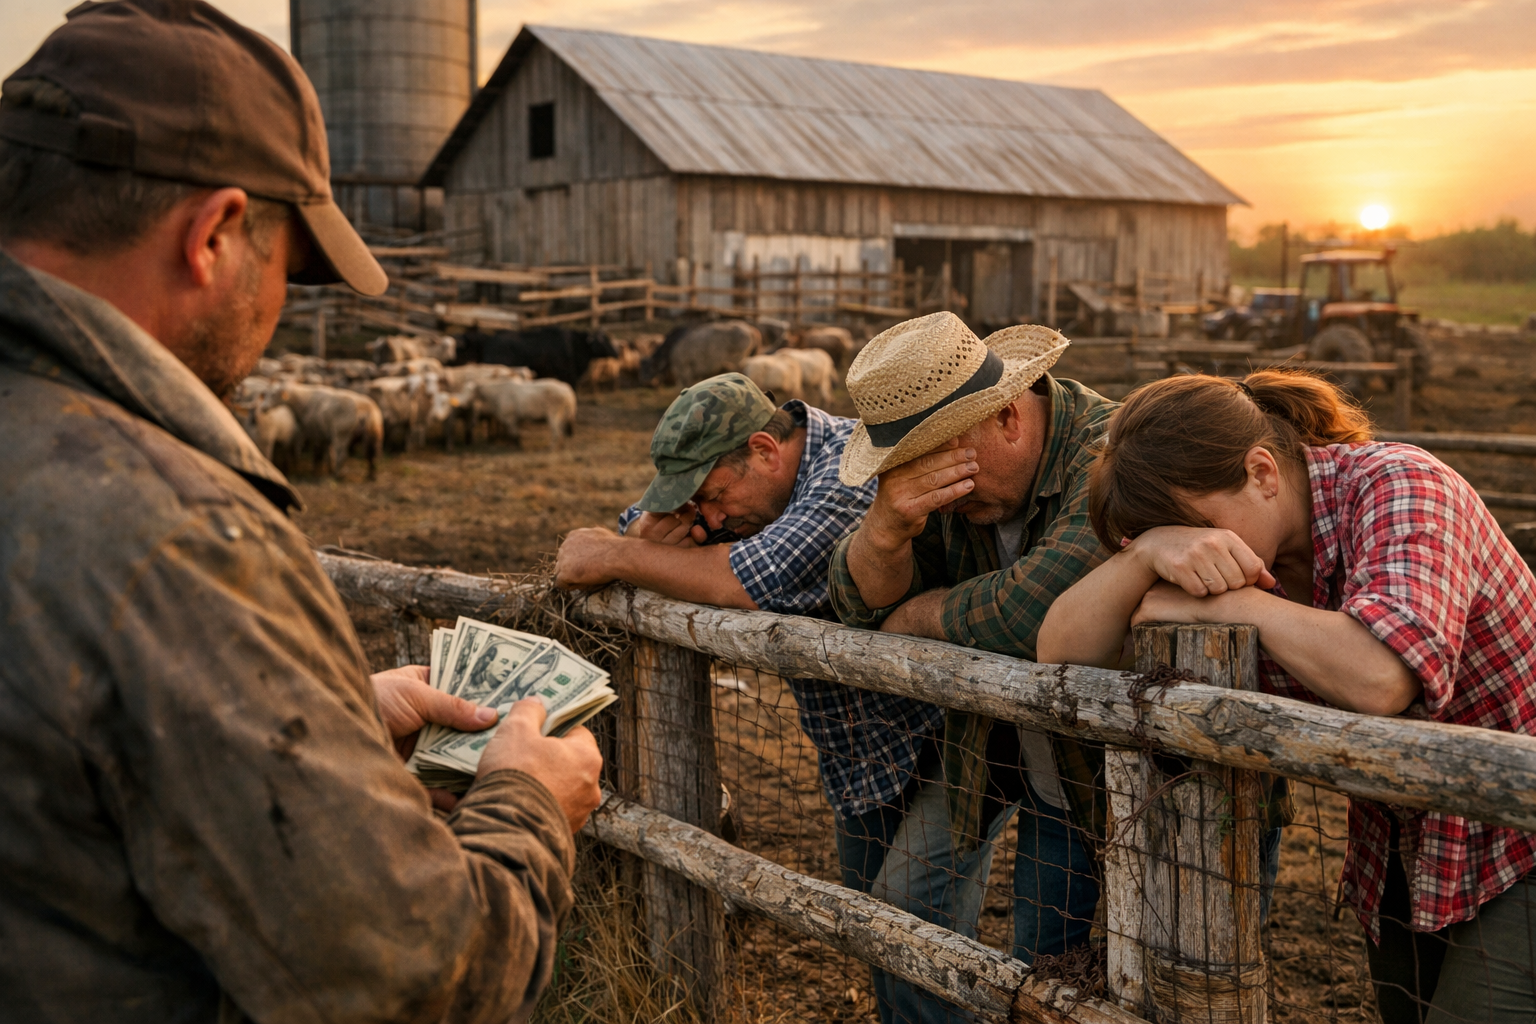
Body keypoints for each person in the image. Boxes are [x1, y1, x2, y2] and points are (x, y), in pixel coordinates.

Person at [0, 4, 601, 1021]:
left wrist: (310, 722)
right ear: (216, 234)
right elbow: (418, 978)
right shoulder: (175, 534)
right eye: (290, 266)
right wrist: (526, 802)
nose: (279, 316)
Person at [1037, 369, 1536, 1024]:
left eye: (1200, 526)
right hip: (1409, 840)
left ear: (1263, 474)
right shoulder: (1238, 548)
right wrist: (1142, 559)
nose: (1199, 555)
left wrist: (1239, 604)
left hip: (1520, 827)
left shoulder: (1402, 484)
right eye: (1174, 543)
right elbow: (1059, 652)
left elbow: (1381, 676)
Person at [554, 372, 950, 936]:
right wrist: (647, 529)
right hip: (859, 755)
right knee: (876, 932)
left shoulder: (848, 473)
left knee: (907, 921)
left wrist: (620, 556)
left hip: (941, 743)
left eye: (713, 497)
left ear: (764, 450)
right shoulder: (755, 496)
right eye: (698, 504)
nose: (710, 520)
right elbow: (639, 524)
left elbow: (750, 580)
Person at [827, 311, 1116, 1023]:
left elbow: (1035, 614)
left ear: (1009, 417)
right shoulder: (954, 478)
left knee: (1055, 965)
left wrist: (921, 616)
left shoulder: (1112, 451)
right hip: (994, 744)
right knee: (906, 908)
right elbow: (855, 602)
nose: (936, 492)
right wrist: (886, 529)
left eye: (936, 464)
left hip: (1119, 778)